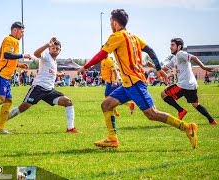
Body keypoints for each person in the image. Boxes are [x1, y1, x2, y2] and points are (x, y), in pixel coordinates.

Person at [78, 9, 198, 149]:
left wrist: (85, 67)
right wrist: (158, 68)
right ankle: (112, 138)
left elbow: (101, 54)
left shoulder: (116, 36)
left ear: (115, 22)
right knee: (106, 105)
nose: (110, 24)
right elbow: (151, 51)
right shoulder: (134, 37)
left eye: (110, 21)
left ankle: (188, 127)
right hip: (127, 85)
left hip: (135, 83)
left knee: (152, 114)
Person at [7, 37, 79, 133]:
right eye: (53, 48)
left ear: (60, 50)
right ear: (49, 48)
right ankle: (1, 122)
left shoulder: (54, 61)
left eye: (57, 49)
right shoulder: (46, 56)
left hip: (49, 90)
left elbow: (50, 71)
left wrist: (58, 74)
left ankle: (70, 128)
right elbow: (36, 54)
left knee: (68, 102)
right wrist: (47, 44)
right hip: (39, 88)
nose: (55, 50)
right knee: (23, 107)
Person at [159, 38, 217, 125]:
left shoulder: (180, 53)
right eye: (170, 45)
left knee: (163, 94)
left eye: (172, 45)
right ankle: (212, 120)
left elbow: (194, 57)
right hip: (191, 85)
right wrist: (153, 66)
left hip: (183, 85)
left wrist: (204, 67)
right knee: (195, 104)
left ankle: (181, 110)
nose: (170, 47)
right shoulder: (175, 58)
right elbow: (164, 69)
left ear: (179, 46)